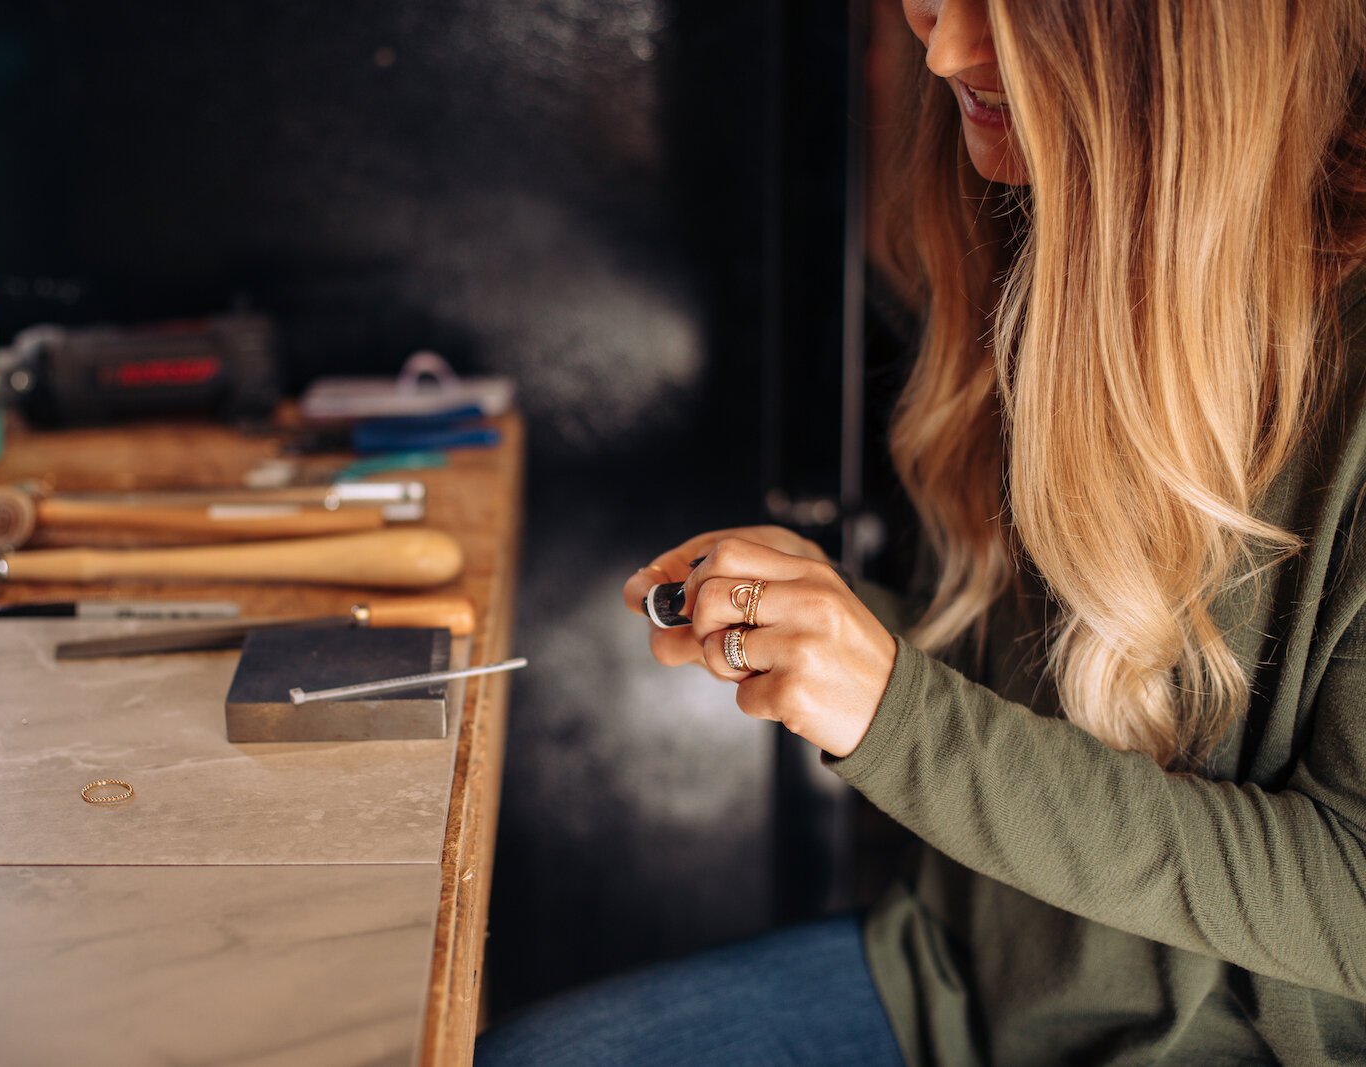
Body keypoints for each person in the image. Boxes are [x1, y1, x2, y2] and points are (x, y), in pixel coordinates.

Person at [476, 0, 1366, 1063]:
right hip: (954, 987)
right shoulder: (1062, 245)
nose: (941, 52)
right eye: (936, 4)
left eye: (1007, 17)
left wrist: (895, 710)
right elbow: (1077, 705)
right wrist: (841, 632)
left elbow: (1349, 899)